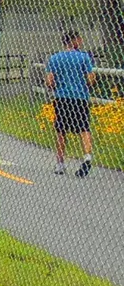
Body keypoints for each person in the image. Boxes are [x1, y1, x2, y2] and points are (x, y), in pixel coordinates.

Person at [46, 29, 97, 177]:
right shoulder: (83, 57)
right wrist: (84, 85)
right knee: (84, 127)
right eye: (79, 39)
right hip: (80, 97)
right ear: (74, 41)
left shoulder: (55, 58)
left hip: (62, 97)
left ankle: (60, 163)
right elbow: (91, 79)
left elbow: (49, 81)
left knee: (61, 130)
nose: (81, 41)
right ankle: (87, 156)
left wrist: (56, 86)